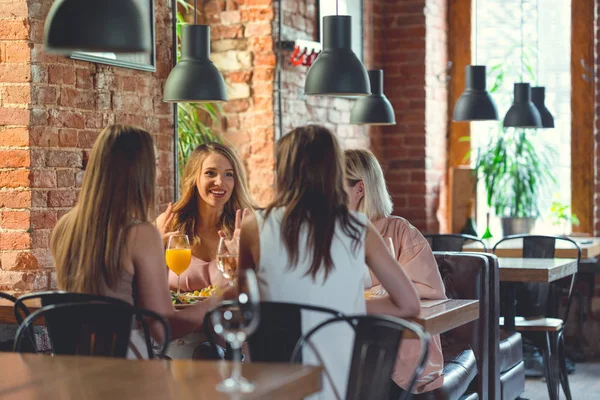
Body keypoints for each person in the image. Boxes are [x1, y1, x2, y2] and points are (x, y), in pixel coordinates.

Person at [238, 125, 421, 399]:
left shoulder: (254, 228)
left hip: (272, 387)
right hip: (341, 388)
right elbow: (409, 305)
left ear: (284, 170)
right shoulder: (358, 228)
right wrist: (348, 307)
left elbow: (245, 309)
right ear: (334, 170)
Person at [50, 125, 218, 358]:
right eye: (155, 166)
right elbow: (163, 328)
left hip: (74, 367)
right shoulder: (139, 233)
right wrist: (219, 299)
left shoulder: (64, 227)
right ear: (140, 173)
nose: (157, 174)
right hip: (126, 367)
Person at [345, 148, 446, 395]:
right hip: (344, 340)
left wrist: (375, 290)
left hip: (396, 345)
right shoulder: (328, 234)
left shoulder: (400, 231)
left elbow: (431, 291)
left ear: (359, 189)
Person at [156, 143, 255, 292]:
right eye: (210, 173)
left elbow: (262, 288)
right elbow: (143, 285)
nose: (220, 182)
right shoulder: (169, 223)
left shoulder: (246, 227)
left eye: (229, 174)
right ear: (194, 177)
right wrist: (155, 250)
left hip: (229, 314)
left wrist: (246, 261)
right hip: (177, 314)